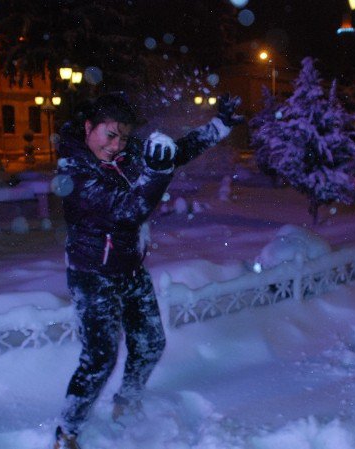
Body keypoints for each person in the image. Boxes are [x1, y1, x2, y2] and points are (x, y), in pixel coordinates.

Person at [53, 93, 243, 449]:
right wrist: (156, 174)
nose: (117, 145)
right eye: (109, 135)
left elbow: (176, 151)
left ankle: (126, 402)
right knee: (99, 358)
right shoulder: (74, 173)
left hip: (130, 270)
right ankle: (67, 430)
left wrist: (218, 127)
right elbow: (127, 211)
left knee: (151, 343)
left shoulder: (125, 154)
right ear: (88, 128)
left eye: (123, 137)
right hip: (92, 274)